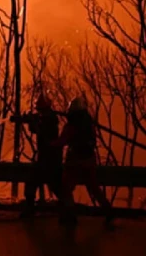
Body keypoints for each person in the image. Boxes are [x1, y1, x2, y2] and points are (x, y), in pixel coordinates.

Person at [53, 96, 114, 228]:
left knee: (66, 189)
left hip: (75, 161)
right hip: (89, 160)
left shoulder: (71, 126)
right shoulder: (89, 125)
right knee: (94, 188)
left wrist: (50, 144)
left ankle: (70, 216)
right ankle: (108, 211)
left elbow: (62, 142)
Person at [12, 93, 63, 218]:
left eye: (40, 109)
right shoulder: (46, 118)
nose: (39, 111)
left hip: (50, 158)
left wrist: (33, 123)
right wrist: (28, 120)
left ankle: (67, 211)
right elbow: (36, 128)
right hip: (46, 157)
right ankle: (66, 211)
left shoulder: (50, 119)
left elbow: (41, 132)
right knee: (34, 182)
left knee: (53, 185)